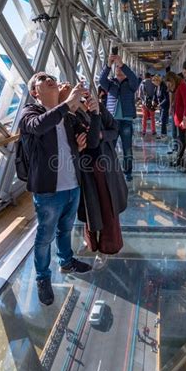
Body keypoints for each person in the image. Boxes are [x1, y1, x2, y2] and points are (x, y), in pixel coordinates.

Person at [19, 74, 97, 306]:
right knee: (45, 237)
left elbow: (82, 143)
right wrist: (67, 104)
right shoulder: (30, 113)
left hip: (72, 184)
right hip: (48, 190)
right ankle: (43, 278)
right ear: (35, 92)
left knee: (65, 229)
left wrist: (80, 145)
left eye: (52, 76)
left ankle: (66, 261)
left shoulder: (68, 117)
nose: (50, 78)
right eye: (43, 78)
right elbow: (38, 127)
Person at [63, 87, 128, 262]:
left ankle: (108, 245)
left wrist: (101, 133)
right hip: (86, 169)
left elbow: (114, 129)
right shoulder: (68, 116)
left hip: (104, 165)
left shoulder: (95, 106)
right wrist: (97, 120)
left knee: (107, 207)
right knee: (90, 207)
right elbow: (90, 143)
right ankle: (92, 244)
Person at [99, 54, 139, 182]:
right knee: (110, 147)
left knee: (127, 148)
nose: (119, 70)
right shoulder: (110, 84)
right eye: (117, 68)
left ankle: (128, 172)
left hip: (126, 120)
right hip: (113, 122)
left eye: (121, 68)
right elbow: (101, 80)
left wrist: (122, 64)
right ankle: (109, 171)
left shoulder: (131, 84)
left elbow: (133, 78)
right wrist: (108, 65)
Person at [164, 72, 186, 167]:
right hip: (179, 117)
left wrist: (185, 119)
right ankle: (179, 159)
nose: (170, 86)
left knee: (182, 139)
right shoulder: (178, 85)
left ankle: (179, 160)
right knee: (180, 138)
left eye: (170, 84)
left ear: (173, 80)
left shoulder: (182, 85)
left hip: (182, 118)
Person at [152, 74, 170, 139]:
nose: (154, 85)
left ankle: (164, 134)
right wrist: (154, 100)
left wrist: (160, 104)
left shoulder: (164, 86)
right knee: (162, 120)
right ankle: (163, 133)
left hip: (165, 106)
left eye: (155, 83)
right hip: (161, 106)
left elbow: (166, 98)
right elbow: (155, 94)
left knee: (163, 120)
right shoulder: (157, 86)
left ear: (158, 81)